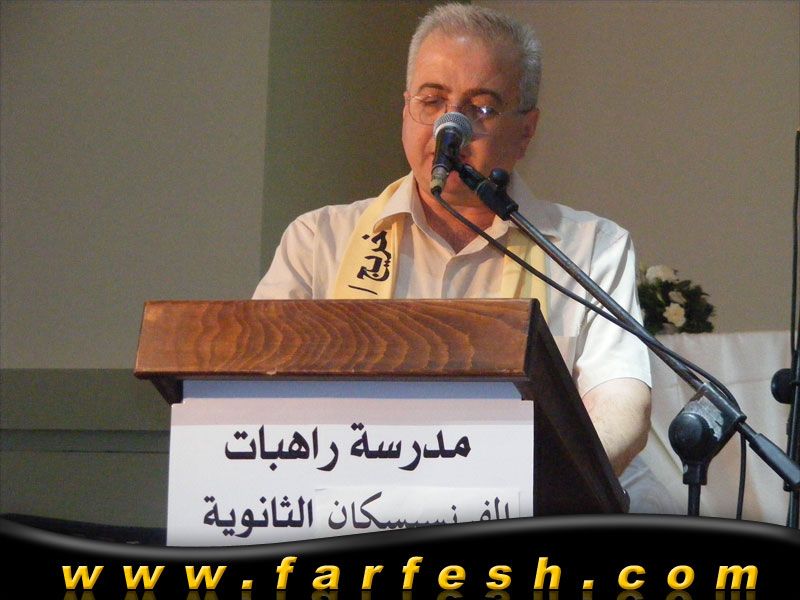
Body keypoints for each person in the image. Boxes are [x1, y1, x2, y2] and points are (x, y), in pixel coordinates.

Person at [254, 3, 677, 513]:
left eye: (481, 108)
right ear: (405, 110)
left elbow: (621, 404)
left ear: (526, 131)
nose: (448, 128)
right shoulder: (318, 241)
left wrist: (531, 494)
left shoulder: (588, 248)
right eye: (432, 101)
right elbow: (252, 387)